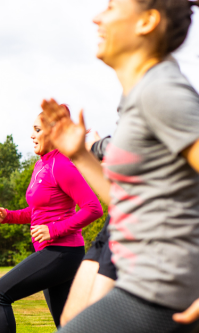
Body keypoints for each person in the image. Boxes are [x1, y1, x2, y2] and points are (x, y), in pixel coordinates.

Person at [40, 0, 199, 332]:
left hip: (163, 288)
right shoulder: (139, 94)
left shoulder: (162, 92)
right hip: (143, 280)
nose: (96, 17)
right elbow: (127, 203)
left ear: (147, 22)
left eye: (111, 7)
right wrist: (80, 155)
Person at [0, 106, 103, 332]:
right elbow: (36, 211)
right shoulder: (41, 165)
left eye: (37, 130)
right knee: (66, 325)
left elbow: (93, 208)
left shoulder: (63, 165)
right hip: (53, 253)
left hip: (62, 252)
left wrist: (54, 230)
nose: (31, 135)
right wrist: (8, 216)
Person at [60, 135, 117, 326]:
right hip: (113, 223)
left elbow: (93, 208)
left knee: (94, 323)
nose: (32, 135)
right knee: (70, 319)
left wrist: (95, 147)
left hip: (135, 227)